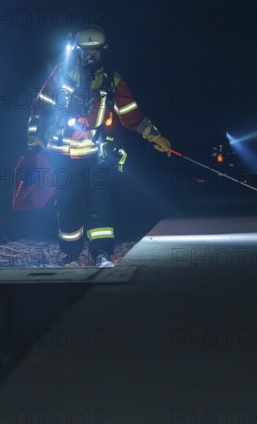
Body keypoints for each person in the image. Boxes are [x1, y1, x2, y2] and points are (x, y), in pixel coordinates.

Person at [26, 25, 171, 268]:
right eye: (86, 52)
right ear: (77, 52)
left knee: (100, 207)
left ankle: (101, 253)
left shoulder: (111, 80)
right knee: (67, 205)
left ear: (104, 52)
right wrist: (35, 139)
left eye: (96, 52)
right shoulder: (62, 74)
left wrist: (154, 136)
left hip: (94, 155)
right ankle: (70, 256)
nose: (91, 57)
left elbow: (130, 113)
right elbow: (39, 106)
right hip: (61, 155)